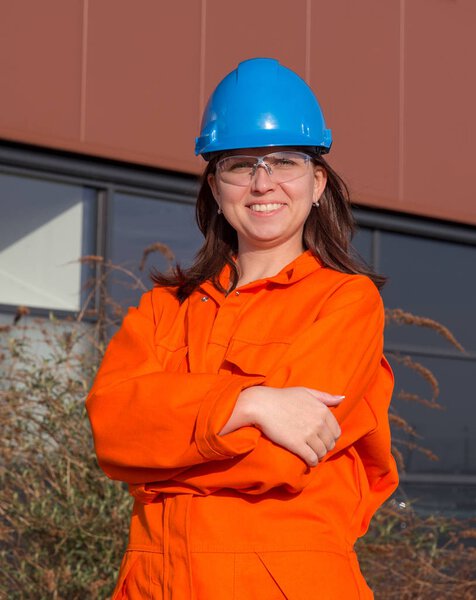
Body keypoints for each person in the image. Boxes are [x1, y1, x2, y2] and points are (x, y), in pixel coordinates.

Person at [86, 57, 398, 599]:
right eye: (240, 165)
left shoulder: (346, 302)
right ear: (215, 184)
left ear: (318, 181)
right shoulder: (164, 309)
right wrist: (250, 403)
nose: (262, 183)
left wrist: (154, 460)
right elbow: (111, 433)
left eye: (284, 162)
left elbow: (279, 456)